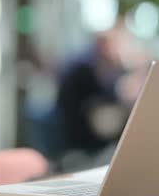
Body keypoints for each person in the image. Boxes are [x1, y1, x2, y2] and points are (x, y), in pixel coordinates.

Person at [55, 19, 150, 157]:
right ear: (105, 44)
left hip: (82, 122)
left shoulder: (88, 60)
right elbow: (105, 94)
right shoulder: (86, 66)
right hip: (80, 130)